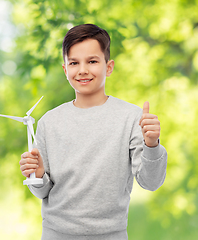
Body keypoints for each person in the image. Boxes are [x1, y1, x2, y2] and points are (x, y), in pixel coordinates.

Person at [19, 24, 167, 240]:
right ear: (65, 69)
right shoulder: (48, 122)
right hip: (56, 234)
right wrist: (38, 175)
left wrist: (152, 145)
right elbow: (42, 192)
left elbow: (150, 182)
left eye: (92, 61)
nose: (82, 70)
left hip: (110, 234)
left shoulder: (131, 118)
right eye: (74, 63)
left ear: (108, 67)